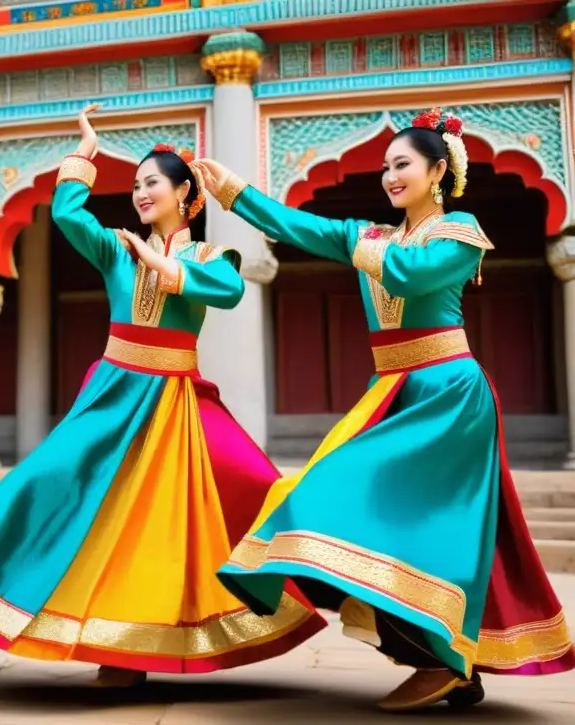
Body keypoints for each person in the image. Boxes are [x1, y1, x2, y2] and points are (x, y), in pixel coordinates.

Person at [0, 104, 325, 685]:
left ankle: (130, 646)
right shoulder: (117, 248)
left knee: (192, 510)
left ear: (185, 193)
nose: (142, 193)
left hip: (176, 401)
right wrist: (84, 155)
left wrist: (161, 263)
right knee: (45, 479)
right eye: (136, 185)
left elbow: (226, 292)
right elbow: (71, 216)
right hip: (115, 392)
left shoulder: (208, 255)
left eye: (153, 183)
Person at [201, 107, 574, 711]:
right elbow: (299, 227)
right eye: (385, 167)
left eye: (403, 165)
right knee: (328, 504)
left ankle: (445, 660)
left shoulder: (460, 233)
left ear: (436, 173)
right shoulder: (371, 235)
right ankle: (440, 660)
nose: (390, 176)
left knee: (435, 535)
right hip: (394, 391)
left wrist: (357, 244)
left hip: (449, 395)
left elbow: (408, 275)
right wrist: (234, 192)